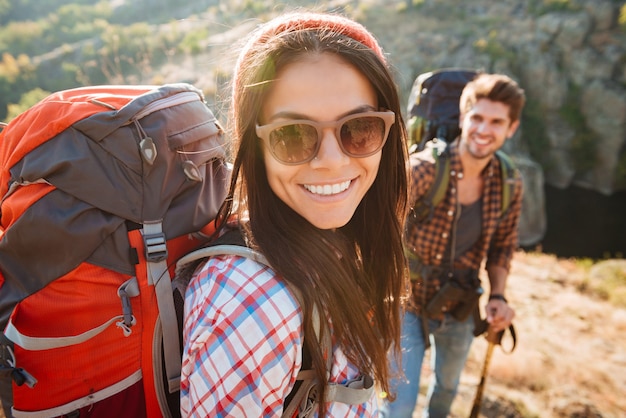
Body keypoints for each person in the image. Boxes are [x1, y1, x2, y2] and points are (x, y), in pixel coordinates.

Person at [179, 12, 409, 417]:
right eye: (292, 135)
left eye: (360, 128)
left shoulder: (331, 247)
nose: (331, 162)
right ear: (255, 146)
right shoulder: (254, 299)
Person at [383, 73, 525, 417]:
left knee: (446, 392)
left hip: (460, 302)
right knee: (399, 407)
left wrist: (498, 296)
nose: (483, 129)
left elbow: (502, 246)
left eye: (496, 122)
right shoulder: (422, 171)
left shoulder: (508, 181)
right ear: (463, 118)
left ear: (512, 128)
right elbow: (378, 231)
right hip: (407, 302)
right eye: (476, 117)